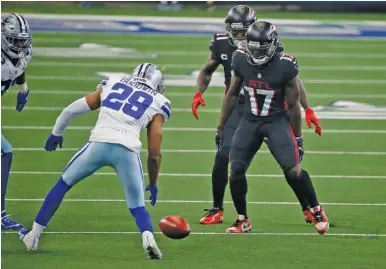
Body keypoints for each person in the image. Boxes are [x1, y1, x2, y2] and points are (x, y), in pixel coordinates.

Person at [19, 63, 171, 259]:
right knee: (138, 207)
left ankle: (33, 236)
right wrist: (153, 182)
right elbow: (154, 152)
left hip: (98, 143)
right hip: (128, 149)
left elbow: (70, 110)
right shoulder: (158, 101)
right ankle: (148, 236)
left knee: (63, 184)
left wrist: (56, 133)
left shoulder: (114, 83)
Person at [191, 5, 321, 226]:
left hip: (269, 110)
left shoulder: (267, 45)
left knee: (289, 163)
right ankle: (218, 208)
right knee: (223, 158)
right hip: (238, 108)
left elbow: (293, 83)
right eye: (236, 31)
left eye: (244, 32)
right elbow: (209, 69)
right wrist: (198, 93)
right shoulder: (224, 43)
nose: (239, 37)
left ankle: (308, 207)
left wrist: (307, 108)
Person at [217, 21, 329, 234]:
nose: (257, 51)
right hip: (250, 121)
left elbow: (294, 105)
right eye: (253, 46)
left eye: (262, 47)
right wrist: (221, 126)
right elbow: (232, 94)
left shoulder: (285, 65)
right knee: (236, 170)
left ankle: (316, 209)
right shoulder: (240, 58)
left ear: (273, 44)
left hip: (276, 121)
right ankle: (242, 219)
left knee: (294, 170)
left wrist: (297, 137)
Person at [1, 13, 32, 230]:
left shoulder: (20, 55)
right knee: (4, 152)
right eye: (16, 40)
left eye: (23, 40)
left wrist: (23, 89)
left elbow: (19, 68)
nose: (20, 45)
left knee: (5, 152)